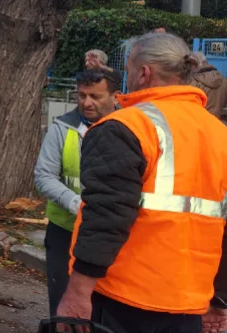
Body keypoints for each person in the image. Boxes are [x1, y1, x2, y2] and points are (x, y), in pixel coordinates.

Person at [56, 32, 227, 333]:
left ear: (143, 73)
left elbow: (106, 217)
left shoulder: (124, 128)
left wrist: (78, 292)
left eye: (130, 69)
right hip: (188, 304)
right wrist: (219, 298)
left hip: (125, 299)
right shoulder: (219, 134)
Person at [34, 67, 119, 317]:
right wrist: (75, 203)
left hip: (110, 236)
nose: (87, 102)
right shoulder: (62, 128)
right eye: (82, 95)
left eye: (95, 96)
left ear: (115, 96)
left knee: (105, 308)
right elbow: (44, 176)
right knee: (63, 306)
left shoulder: (128, 129)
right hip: (66, 232)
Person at [190, 52, 227, 119]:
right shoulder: (224, 81)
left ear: (194, 65)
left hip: (197, 123)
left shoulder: (193, 82)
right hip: (216, 122)